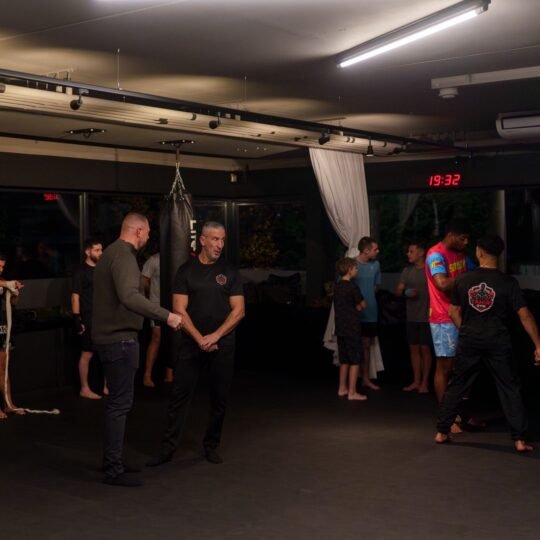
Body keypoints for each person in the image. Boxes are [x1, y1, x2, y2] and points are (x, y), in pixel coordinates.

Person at [92, 213, 183, 487]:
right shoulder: (124, 255)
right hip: (118, 340)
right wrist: (167, 315)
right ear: (139, 231)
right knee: (120, 404)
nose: (148, 237)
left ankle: (112, 461)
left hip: (112, 339)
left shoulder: (111, 253)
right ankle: (113, 469)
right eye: (148, 232)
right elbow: (129, 296)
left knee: (118, 403)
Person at [147, 221, 245, 467]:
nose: (219, 245)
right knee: (179, 396)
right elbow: (179, 309)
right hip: (192, 344)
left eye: (222, 240)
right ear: (202, 240)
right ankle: (167, 449)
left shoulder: (230, 271)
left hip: (222, 345)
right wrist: (200, 338)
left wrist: (215, 336)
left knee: (219, 398)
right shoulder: (186, 271)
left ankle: (211, 446)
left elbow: (239, 311)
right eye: (215, 239)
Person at [435, 234, 540, 452]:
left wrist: (466, 329)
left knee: (457, 384)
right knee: (509, 387)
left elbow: (453, 312)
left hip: (470, 340)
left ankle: (442, 432)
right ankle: (519, 440)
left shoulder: (463, 280)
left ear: (479, 252)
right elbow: (525, 315)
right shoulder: (508, 282)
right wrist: (539, 345)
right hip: (498, 340)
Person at [426, 219, 475, 404]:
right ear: (451, 236)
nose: (466, 242)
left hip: (461, 314)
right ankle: (445, 414)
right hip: (443, 318)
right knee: (445, 367)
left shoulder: (461, 254)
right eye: (462, 238)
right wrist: (468, 278)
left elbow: (477, 273)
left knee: (464, 366)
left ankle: (460, 412)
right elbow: (442, 283)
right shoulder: (435, 254)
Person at [396, 241, 432, 393]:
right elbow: (398, 291)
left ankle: (425, 383)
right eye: (408, 251)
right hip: (411, 317)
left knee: (425, 349)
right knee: (414, 349)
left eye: (411, 251)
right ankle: (416, 381)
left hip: (427, 317)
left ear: (421, 252)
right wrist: (406, 292)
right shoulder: (407, 271)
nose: (408, 254)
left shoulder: (430, 271)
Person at [72, 237, 105, 399]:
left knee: (107, 351)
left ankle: (107, 387)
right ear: (88, 252)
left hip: (104, 317)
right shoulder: (81, 271)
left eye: (101, 249)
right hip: (89, 317)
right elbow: (75, 296)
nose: (100, 253)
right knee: (87, 353)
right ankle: (84, 388)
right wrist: (77, 319)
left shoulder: (103, 269)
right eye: (97, 250)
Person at [335, 257, 368, 401]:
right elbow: (363, 304)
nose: (357, 270)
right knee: (355, 360)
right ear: (349, 270)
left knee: (344, 359)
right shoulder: (352, 287)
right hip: (352, 327)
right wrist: (358, 306)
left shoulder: (337, 286)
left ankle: (342, 388)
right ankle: (352, 392)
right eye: (355, 268)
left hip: (340, 327)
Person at [355, 236, 381, 390]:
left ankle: (365, 378)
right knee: (353, 345)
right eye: (375, 249)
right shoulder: (351, 264)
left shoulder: (376, 265)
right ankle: (351, 381)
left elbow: (376, 286)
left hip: (370, 311)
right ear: (366, 250)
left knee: (366, 345)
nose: (378, 251)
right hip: (354, 313)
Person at [0, 252, 24, 419]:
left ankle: (8, 404)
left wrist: (15, 293)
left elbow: (12, 303)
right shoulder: (3, 281)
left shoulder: (3, 281)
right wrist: (8, 283)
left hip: (2, 327)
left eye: (2, 266)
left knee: (4, 368)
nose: (1, 269)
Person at [141, 251, 164, 387]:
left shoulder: (179, 255)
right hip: (157, 306)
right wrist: (148, 299)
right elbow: (144, 279)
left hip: (174, 304)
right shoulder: (154, 259)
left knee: (175, 337)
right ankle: (147, 375)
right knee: (156, 337)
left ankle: (170, 374)